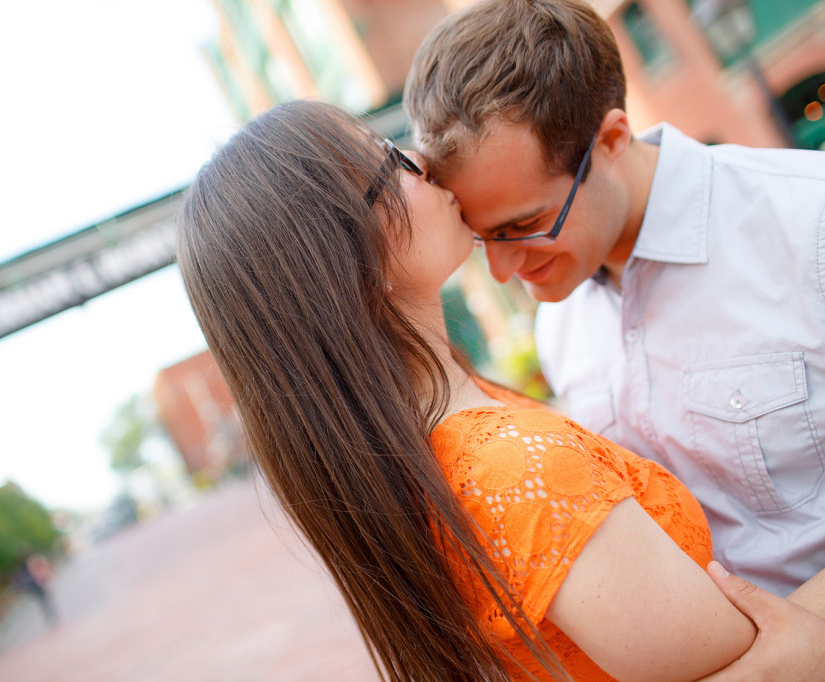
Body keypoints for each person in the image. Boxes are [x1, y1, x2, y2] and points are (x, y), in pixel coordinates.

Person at [177, 99, 757, 681]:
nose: (425, 163)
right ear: (354, 257)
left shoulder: (428, 455)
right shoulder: (519, 471)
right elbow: (765, 669)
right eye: (391, 157)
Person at [404, 0, 825, 603]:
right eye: (481, 236)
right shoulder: (560, 324)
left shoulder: (809, 225)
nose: (502, 270)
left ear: (611, 140)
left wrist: (801, 642)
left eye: (524, 224)